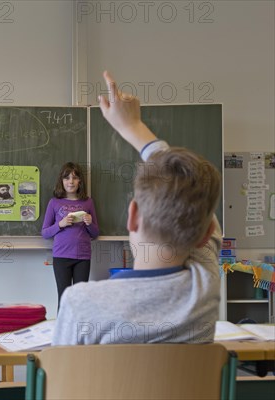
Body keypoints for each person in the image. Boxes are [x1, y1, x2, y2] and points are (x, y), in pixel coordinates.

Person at [52, 71, 222, 345]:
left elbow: (57, 379)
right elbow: (198, 198)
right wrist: (135, 129)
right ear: (208, 233)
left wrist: (131, 126)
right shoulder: (205, 288)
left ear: (132, 216)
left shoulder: (80, 303)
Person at [42, 162, 99, 307]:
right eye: (67, 178)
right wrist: (60, 224)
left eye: (74, 178)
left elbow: (95, 233)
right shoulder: (54, 202)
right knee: (64, 297)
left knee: (80, 298)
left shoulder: (88, 202)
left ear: (80, 181)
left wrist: (89, 222)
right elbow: (45, 232)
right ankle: (63, 329)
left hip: (82, 257)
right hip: (61, 256)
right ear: (61, 181)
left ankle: (79, 329)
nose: (71, 182)